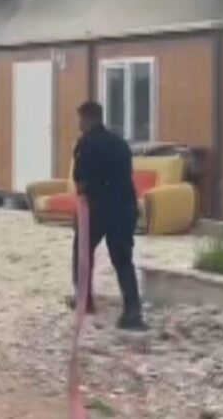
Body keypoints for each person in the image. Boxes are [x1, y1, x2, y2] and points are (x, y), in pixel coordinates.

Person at [68, 101, 146, 331]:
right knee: (122, 259)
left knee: (83, 254)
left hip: (97, 207)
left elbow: (80, 181)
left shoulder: (85, 144)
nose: (78, 124)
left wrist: (81, 208)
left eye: (80, 119)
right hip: (124, 206)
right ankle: (133, 311)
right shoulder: (121, 143)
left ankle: (85, 300)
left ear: (87, 119)